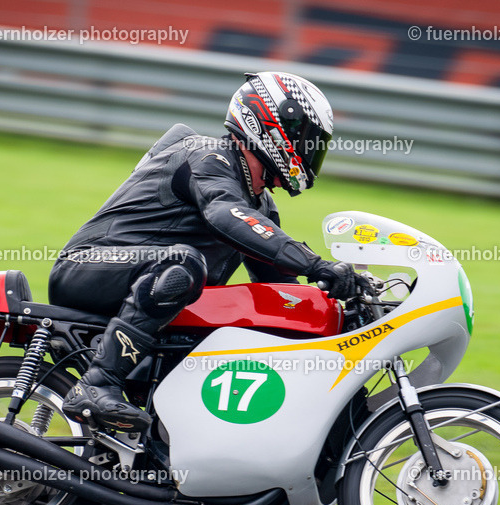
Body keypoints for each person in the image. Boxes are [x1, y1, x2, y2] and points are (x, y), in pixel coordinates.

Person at [49, 71, 364, 432]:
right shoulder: (207, 155)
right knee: (182, 263)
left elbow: (283, 294)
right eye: (306, 139)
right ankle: (97, 384)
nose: (310, 152)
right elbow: (225, 214)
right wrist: (317, 264)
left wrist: (340, 303)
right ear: (272, 128)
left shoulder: (258, 204)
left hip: (144, 288)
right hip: (88, 266)